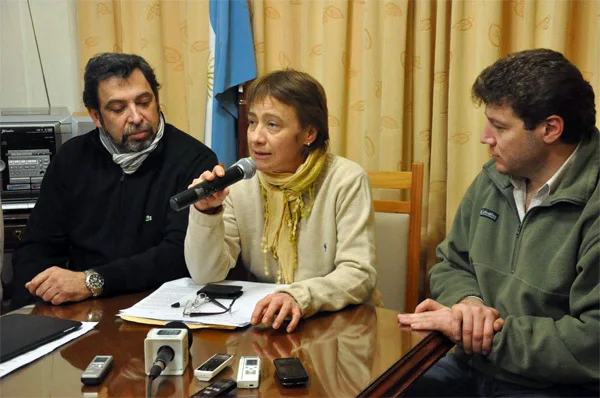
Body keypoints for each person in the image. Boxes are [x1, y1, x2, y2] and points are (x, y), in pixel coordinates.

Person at [398, 48, 599, 396]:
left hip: (556, 385)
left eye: (500, 126)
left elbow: (591, 341)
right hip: (471, 362)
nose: (484, 137)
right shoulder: (496, 177)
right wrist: (468, 303)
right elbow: (451, 263)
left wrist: (483, 335)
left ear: (550, 128)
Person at [10, 53, 218, 309]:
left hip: (161, 306)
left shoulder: (194, 159)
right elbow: (37, 247)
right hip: (82, 308)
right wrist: (32, 308)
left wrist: (92, 281)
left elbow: (177, 255)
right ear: (96, 116)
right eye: (118, 109)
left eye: (144, 102)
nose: (136, 117)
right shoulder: (72, 158)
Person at [184, 69, 378, 333]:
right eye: (252, 122)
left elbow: (359, 274)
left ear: (309, 133)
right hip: (268, 323)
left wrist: (299, 295)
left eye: (272, 125)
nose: (255, 137)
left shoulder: (345, 179)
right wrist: (207, 213)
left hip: (338, 325)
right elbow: (206, 275)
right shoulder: (241, 181)